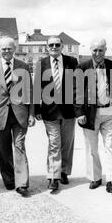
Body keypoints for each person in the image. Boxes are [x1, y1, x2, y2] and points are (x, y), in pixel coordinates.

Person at [0, 36, 35, 197]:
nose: (6, 51)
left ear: (14, 49)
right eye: (3, 49)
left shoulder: (23, 66)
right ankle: (9, 179)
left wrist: (31, 113)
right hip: (0, 115)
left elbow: (30, 92)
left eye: (9, 48)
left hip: (20, 115)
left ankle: (22, 183)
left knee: (19, 147)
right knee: (4, 149)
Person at [75, 38, 112, 194]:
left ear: (105, 50)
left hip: (110, 112)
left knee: (109, 146)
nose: (97, 53)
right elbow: (74, 92)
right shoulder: (81, 67)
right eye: (95, 50)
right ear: (91, 51)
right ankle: (95, 177)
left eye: (100, 50)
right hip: (90, 114)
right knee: (92, 148)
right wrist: (79, 113)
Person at [34, 36, 78, 192]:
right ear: (47, 47)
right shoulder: (41, 64)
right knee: (54, 143)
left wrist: (78, 110)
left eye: (57, 44)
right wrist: (36, 109)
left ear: (62, 46)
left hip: (68, 111)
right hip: (49, 111)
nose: (54, 47)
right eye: (51, 45)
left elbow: (76, 87)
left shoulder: (72, 62)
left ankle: (64, 172)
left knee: (67, 143)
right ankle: (53, 176)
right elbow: (37, 87)